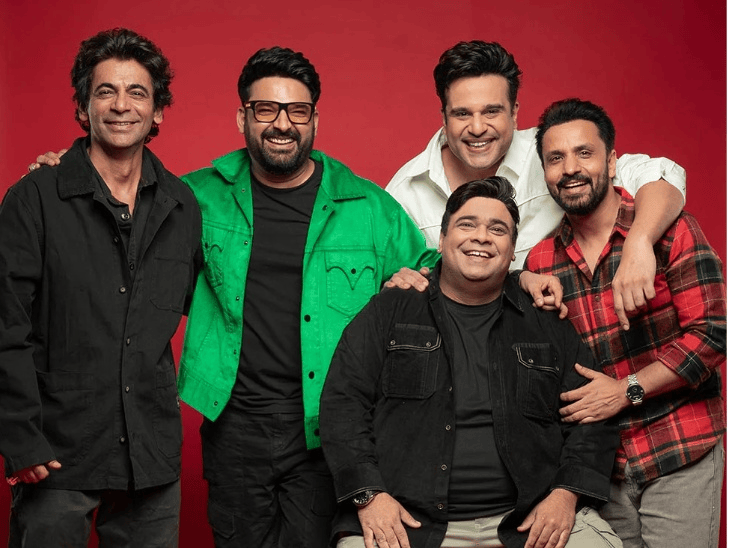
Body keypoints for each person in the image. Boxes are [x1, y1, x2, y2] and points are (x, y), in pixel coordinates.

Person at [175, 46, 441, 548]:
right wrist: (67, 168)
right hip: (233, 424)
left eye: (297, 111)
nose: (282, 123)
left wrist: (409, 291)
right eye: (266, 109)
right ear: (242, 117)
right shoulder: (196, 197)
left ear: (315, 120)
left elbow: (439, 275)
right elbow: (126, 211)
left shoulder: (366, 206)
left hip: (326, 426)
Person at [321, 177, 622, 548]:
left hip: (530, 518)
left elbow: (594, 416)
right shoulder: (391, 309)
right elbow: (342, 405)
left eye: (497, 230)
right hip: (408, 520)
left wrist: (566, 495)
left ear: (512, 250)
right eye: (467, 225)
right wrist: (369, 496)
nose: (481, 237)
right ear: (442, 239)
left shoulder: (546, 319)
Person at [0, 28, 201, 547]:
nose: (121, 106)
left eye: (137, 92)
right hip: (56, 454)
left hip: (151, 457)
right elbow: (5, 326)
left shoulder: (183, 206)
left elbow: (211, 303)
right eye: (105, 91)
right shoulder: (33, 198)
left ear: (158, 111)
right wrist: (19, 437)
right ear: (83, 107)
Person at [525, 98, 725, 548]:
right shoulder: (541, 261)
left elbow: (713, 334)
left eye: (584, 153)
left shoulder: (670, 230)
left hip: (680, 449)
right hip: (603, 469)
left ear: (613, 162)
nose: (570, 169)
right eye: (556, 158)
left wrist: (625, 391)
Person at [386, 40, 686, 328]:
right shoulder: (405, 191)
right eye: (462, 114)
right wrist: (397, 280)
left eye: (491, 111)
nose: (477, 128)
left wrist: (639, 242)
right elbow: (394, 282)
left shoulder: (552, 154)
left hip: (560, 332)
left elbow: (659, 175)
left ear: (514, 113)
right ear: (443, 117)